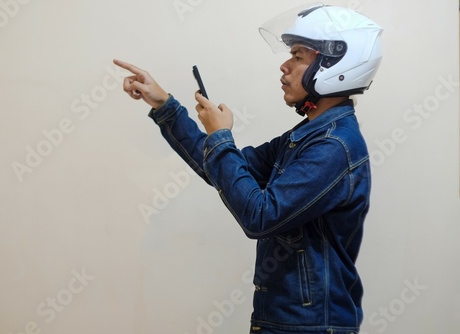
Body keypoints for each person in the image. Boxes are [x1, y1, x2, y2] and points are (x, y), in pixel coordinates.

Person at [114, 4, 382, 334]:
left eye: (298, 56)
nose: (284, 66)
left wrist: (221, 137)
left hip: (308, 326)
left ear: (336, 64)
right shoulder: (306, 138)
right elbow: (219, 168)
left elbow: (259, 215)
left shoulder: (334, 147)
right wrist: (165, 106)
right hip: (284, 320)